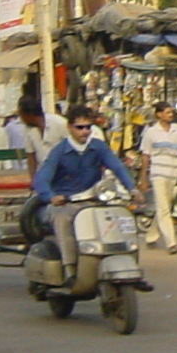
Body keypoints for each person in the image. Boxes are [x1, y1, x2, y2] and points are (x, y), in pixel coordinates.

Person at [31, 106, 137, 268]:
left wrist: (132, 188)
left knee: (121, 217)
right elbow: (42, 179)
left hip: (93, 201)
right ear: (69, 128)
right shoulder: (59, 152)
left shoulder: (98, 147)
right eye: (80, 127)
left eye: (88, 127)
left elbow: (117, 167)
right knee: (63, 219)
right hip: (65, 203)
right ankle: (70, 268)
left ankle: (130, 263)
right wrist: (51, 196)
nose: (85, 131)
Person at [138, 104, 177, 254]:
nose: (171, 115)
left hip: (173, 173)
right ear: (159, 115)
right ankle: (171, 243)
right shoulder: (151, 132)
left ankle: (151, 237)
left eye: (172, 112)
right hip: (157, 174)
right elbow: (146, 157)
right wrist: (143, 178)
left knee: (164, 208)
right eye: (167, 112)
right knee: (164, 209)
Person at [15, 95, 69, 170]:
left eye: (21, 115)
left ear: (29, 115)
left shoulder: (60, 123)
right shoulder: (27, 129)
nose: (20, 119)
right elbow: (31, 156)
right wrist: (34, 180)